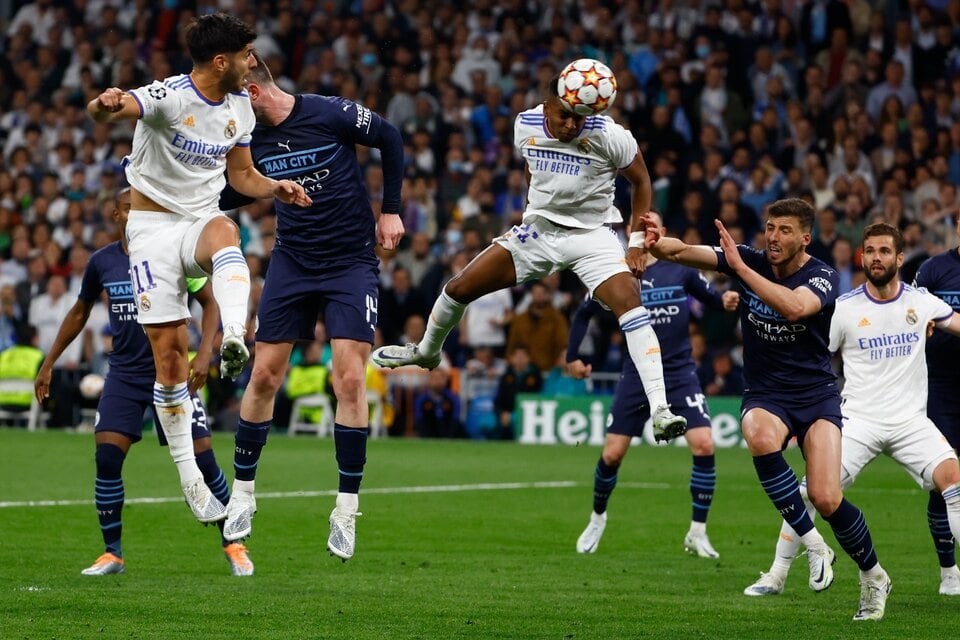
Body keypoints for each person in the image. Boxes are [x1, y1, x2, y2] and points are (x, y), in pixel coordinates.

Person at [373, 67, 687, 443]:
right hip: (539, 231)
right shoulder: (526, 123)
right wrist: (532, 210)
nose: (572, 125)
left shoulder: (610, 136)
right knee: (458, 287)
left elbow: (642, 181)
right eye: (565, 115)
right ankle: (426, 352)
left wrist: (635, 242)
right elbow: (531, 167)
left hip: (593, 236)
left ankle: (661, 410)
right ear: (548, 103)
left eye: (580, 118)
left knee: (631, 304)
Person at [86, 13, 310, 524]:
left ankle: (235, 335)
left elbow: (244, 175)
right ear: (220, 61)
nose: (253, 63)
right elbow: (115, 111)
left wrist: (275, 188)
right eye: (247, 55)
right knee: (169, 363)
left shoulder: (239, 108)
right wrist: (104, 106)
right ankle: (190, 478)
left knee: (226, 232)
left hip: (199, 220)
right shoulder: (170, 97)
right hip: (150, 232)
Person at [642, 198, 891, 621]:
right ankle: (814, 545)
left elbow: (794, 307)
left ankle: (873, 575)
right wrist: (652, 240)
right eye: (771, 228)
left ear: (805, 237)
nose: (774, 237)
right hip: (767, 393)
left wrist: (740, 269)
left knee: (826, 496)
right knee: (757, 434)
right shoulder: (751, 258)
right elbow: (681, 252)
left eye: (785, 230)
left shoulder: (823, 276)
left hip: (815, 394)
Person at [217, 54, 404, 561]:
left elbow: (389, 137)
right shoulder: (246, 140)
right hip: (292, 262)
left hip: (349, 263)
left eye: (234, 96)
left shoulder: (328, 112)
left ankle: (345, 510)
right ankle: (244, 495)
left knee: (347, 378)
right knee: (263, 377)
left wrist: (391, 210)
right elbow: (230, 191)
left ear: (252, 92)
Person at [33, 189, 253, 577]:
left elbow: (211, 303)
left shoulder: (172, 251)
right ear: (115, 214)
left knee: (203, 459)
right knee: (106, 458)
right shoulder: (102, 262)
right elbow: (80, 309)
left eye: (143, 207)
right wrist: (49, 362)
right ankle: (112, 553)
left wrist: (203, 355)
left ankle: (233, 544)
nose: (137, 213)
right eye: (130, 208)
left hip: (170, 372)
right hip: (124, 375)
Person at [745, 223, 960, 598]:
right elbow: (813, 355)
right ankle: (776, 574)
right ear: (862, 257)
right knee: (812, 491)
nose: (876, 258)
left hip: (911, 422)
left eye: (884, 251)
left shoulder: (920, 302)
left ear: (899, 258)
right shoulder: (844, 309)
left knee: (954, 481)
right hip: (858, 419)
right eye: (870, 251)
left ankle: (951, 575)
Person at [569, 212, 740, 558]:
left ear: (661, 232)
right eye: (643, 226)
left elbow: (710, 299)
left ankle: (697, 531)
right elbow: (583, 313)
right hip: (636, 375)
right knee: (612, 454)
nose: (650, 231)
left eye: (654, 226)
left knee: (704, 445)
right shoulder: (615, 270)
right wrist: (573, 356)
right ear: (633, 233)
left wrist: (724, 301)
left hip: (679, 371)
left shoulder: (681, 269)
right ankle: (597, 518)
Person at [914, 218, 960, 595]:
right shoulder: (933, 269)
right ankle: (949, 571)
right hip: (941, 386)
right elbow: (911, 315)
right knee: (943, 478)